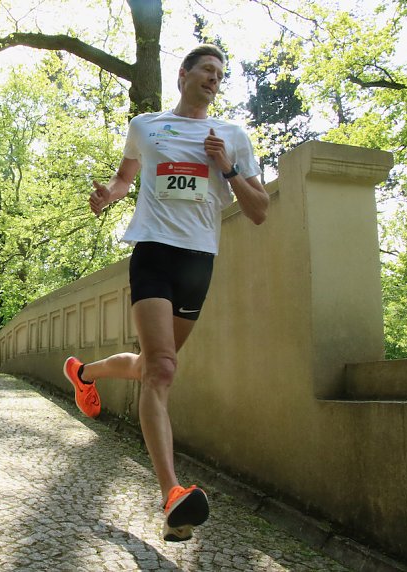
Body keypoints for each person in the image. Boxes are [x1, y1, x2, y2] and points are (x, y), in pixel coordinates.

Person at [63, 44, 269, 543]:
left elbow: (260, 209)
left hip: (199, 262)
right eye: (206, 71)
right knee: (163, 369)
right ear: (184, 74)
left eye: (220, 75)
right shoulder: (146, 127)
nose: (214, 80)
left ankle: (83, 373)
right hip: (153, 251)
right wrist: (109, 195)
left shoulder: (233, 137)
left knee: (152, 364)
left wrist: (227, 168)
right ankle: (173, 495)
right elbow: (125, 176)